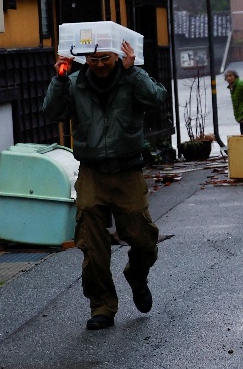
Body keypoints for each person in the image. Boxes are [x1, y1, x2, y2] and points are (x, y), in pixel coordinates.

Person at [42, 40, 167, 330]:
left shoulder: (130, 79)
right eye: (93, 58)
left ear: (117, 56)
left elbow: (156, 99)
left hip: (127, 172)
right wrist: (60, 77)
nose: (99, 64)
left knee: (144, 239)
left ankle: (137, 275)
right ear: (85, 58)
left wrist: (134, 71)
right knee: (92, 244)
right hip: (92, 173)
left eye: (105, 58)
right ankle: (102, 306)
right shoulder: (73, 83)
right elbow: (52, 111)